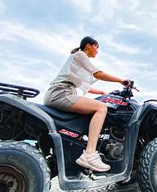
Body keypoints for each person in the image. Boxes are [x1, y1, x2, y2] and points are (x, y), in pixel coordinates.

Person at [44, 36, 129, 172]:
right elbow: (98, 74)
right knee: (101, 108)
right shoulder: (80, 54)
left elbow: (85, 87)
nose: (97, 51)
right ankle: (89, 154)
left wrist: (102, 92)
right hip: (62, 92)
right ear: (88, 46)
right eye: (96, 47)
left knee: (94, 108)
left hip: (60, 91)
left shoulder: (78, 64)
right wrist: (121, 80)